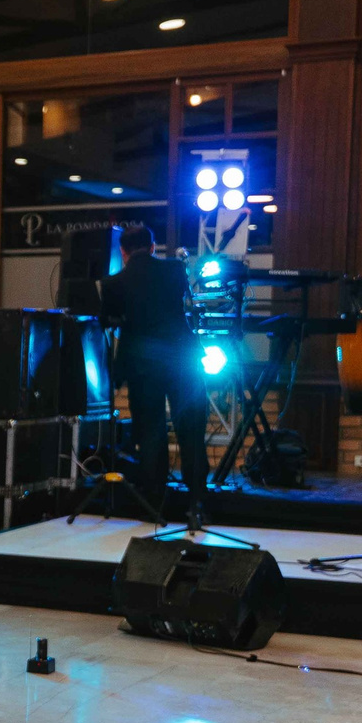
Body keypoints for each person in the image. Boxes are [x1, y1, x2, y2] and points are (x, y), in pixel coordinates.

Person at [100, 222, 212, 518]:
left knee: (150, 432)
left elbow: (108, 321)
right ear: (153, 247)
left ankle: (155, 504)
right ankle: (197, 502)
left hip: (142, 365)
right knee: (190, 429)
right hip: (181, 360)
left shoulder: (114, 284)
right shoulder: (175, 270)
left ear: (123, 252)